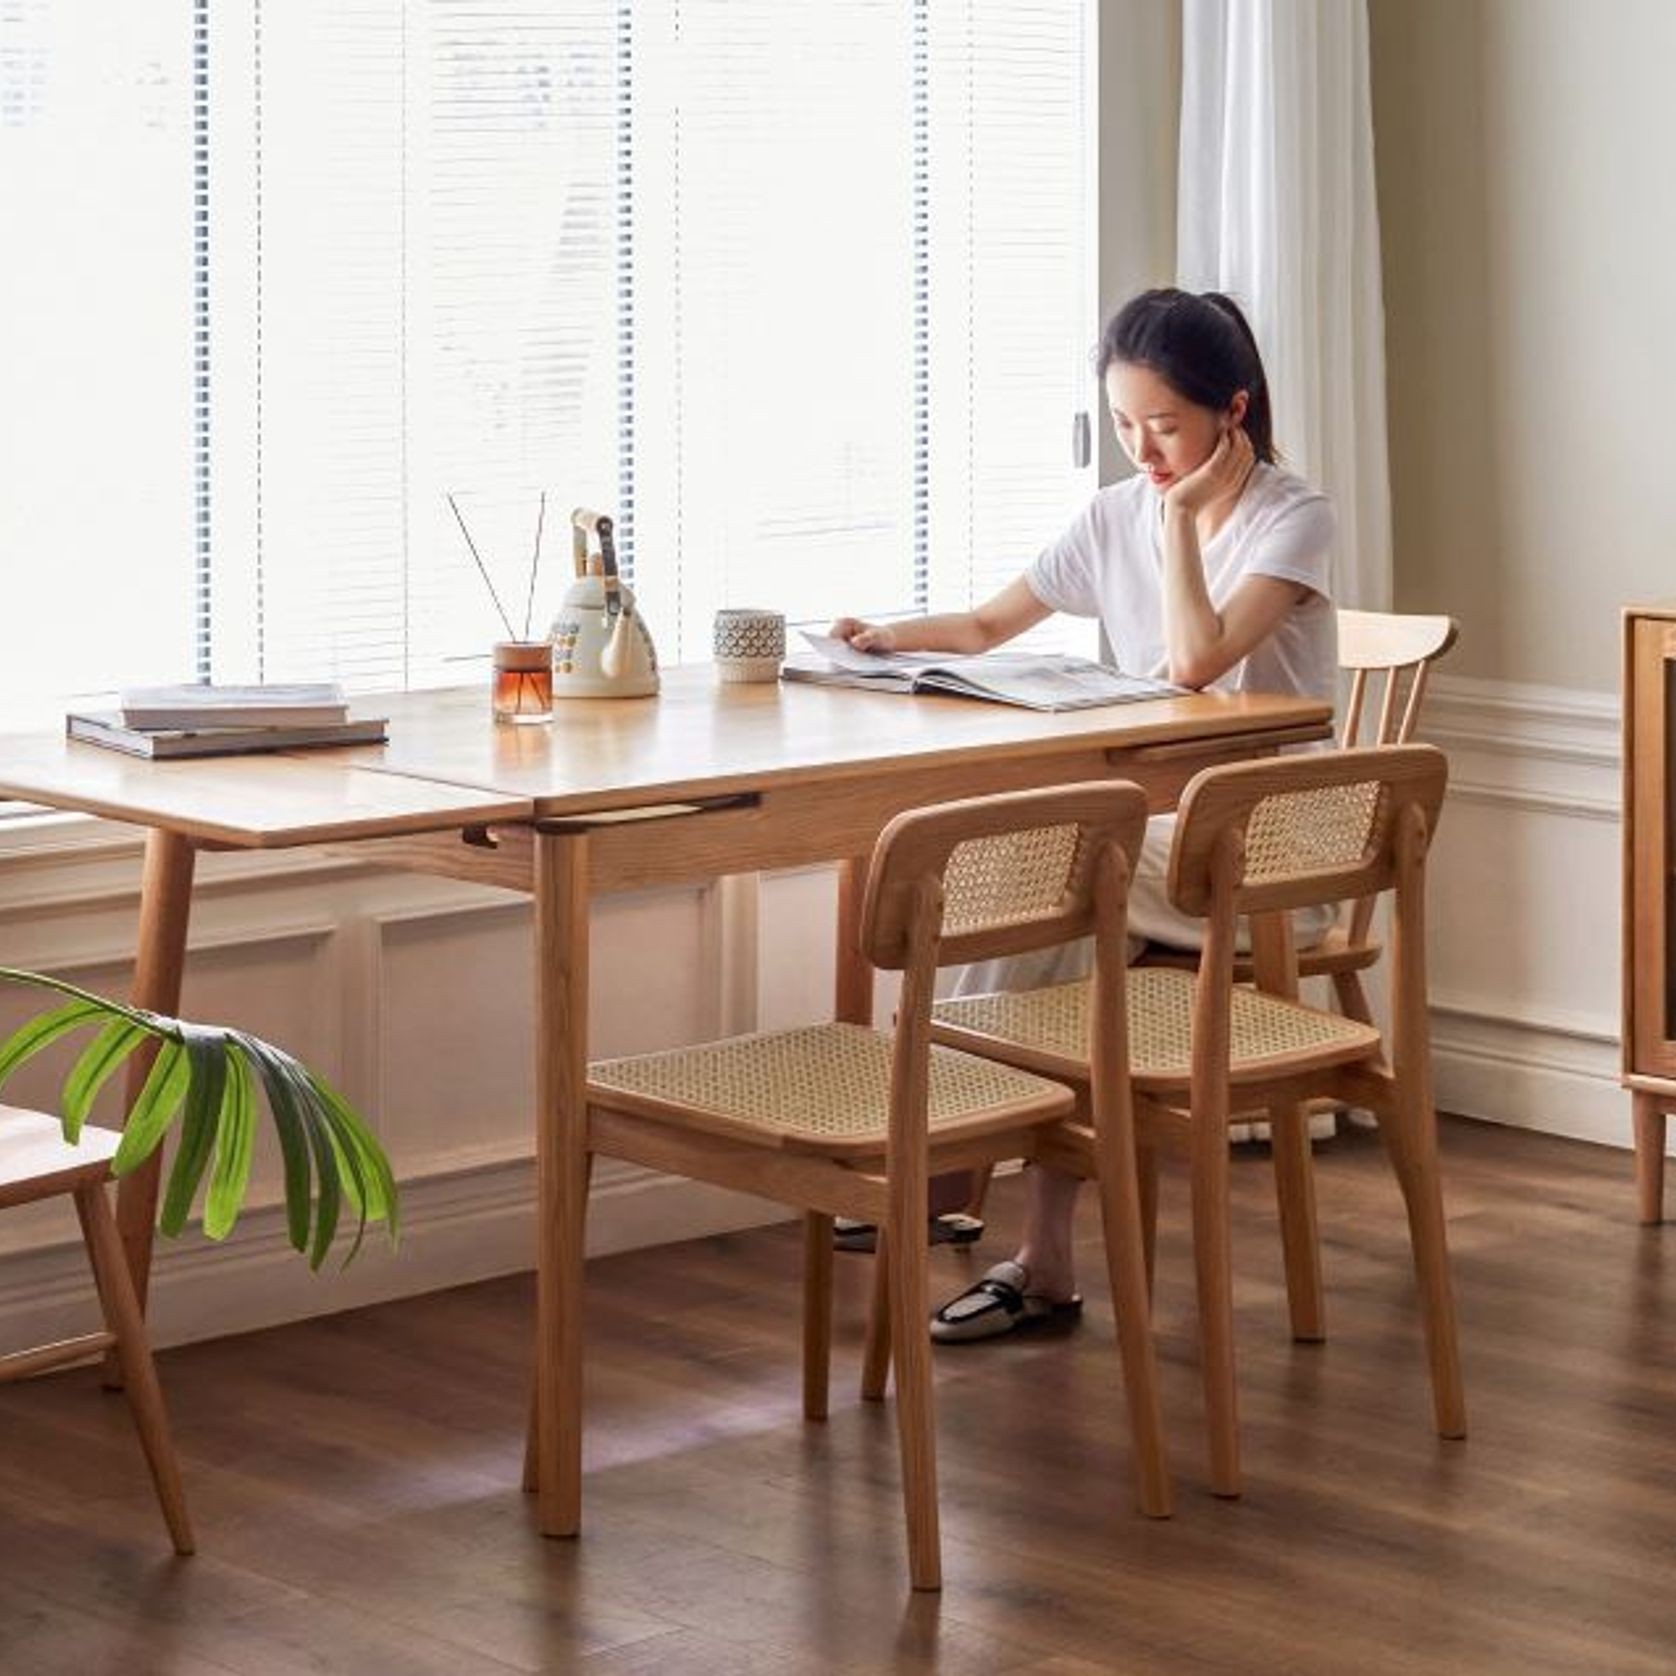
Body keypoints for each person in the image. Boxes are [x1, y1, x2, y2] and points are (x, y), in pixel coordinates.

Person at [829, 287, 1337, 1342]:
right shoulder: (1113, 510)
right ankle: (1033, 1245)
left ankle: (937, 1156)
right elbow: (984, 621)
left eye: (1163, 424)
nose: (1141, 449)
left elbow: (1196, 661)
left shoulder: (1291, 516)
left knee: (1050, 868)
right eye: (1121, 424)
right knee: (1061, 905)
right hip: (1147, 848)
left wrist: (1180, 524)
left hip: (1262, 854)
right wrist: (883, 636)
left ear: (1228, 411)